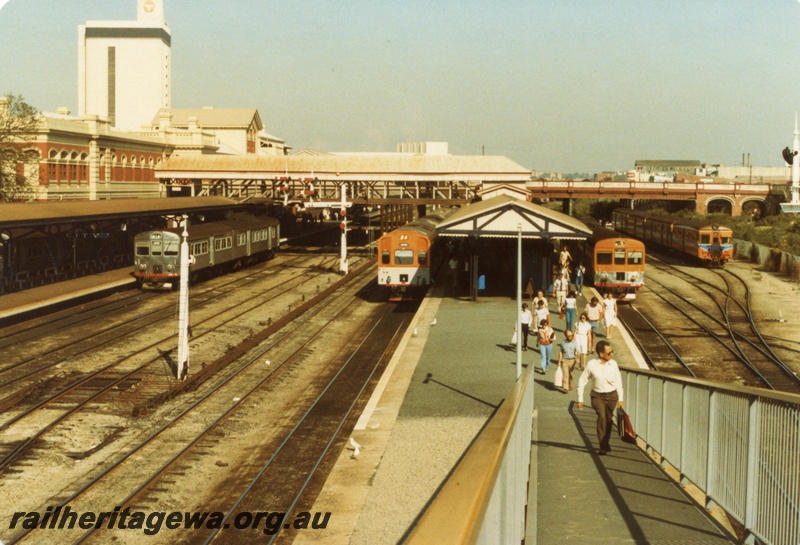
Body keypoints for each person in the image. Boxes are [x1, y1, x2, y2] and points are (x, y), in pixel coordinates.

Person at [577, 340, 624, 455]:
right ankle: (602, 446)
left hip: (612, 396)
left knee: (608, 420)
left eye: (612, 351)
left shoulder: (613, 364)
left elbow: (618, 382)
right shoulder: (591, 365)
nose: (612, 354)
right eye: (609, 353)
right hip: (597, 396)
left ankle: (605, 443)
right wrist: (580, 399)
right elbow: (582, 381)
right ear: (601, 354)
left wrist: (621, 399)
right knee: (602, 417)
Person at [557, 329, 578, 393]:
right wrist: (559, 362)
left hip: (572, 360)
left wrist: (578, 358)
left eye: (572, 335)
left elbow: (578, 351)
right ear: (566, 336)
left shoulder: (574, 343)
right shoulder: (563, 343)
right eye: (569, 336)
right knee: (566, 374)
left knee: (571, 374)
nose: (571, 337)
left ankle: (570, 384)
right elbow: (561, 352)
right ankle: (566, 387)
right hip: (564, 360)